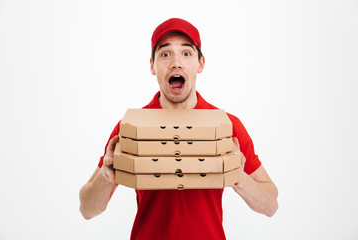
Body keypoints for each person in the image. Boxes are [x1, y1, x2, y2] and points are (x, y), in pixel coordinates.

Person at [79, 18, 278, 239]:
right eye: (165, 54)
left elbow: (271, 205)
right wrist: (105, 178)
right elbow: (87, 209)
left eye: (186, 53)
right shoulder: (130, 127)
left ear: (200, 63)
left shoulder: (227, 126)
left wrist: (240, 177)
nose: (176, 63)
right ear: (152, 66)